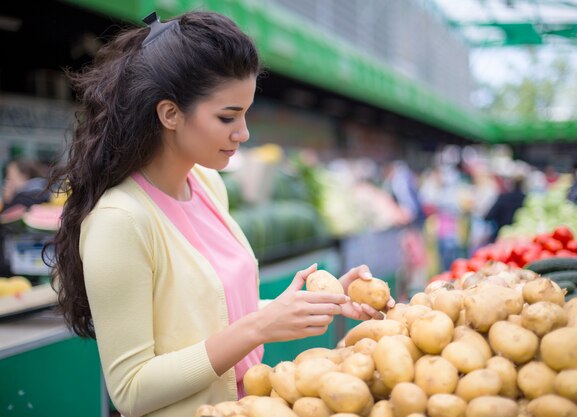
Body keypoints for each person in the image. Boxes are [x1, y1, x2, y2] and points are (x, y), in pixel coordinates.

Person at [44, 11, 393, 417]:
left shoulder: (206, 186)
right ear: (169, 114)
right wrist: (258, 328)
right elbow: (131, 389)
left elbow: (212, 316)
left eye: (245, 114)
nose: (243, 133)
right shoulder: (120, 220)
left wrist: (309, 305)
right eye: (228, 117)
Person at [484, 174, 526, 243]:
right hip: (521, 238)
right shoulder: (526, 199)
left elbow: (489, 216)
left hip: (502, 237)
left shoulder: (503, 198)